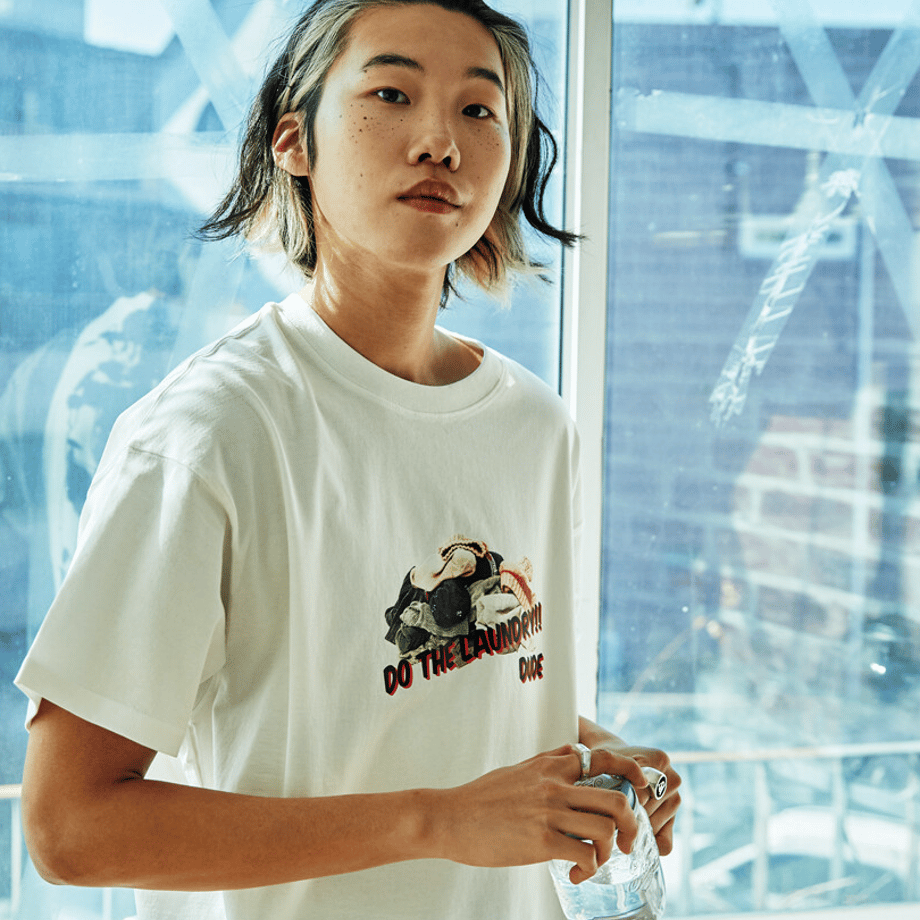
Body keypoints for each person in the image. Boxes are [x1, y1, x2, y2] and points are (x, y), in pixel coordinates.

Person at [16, 2, 681, 919]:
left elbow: (442, 689)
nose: (440, 141)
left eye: (479, 110)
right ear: (294, 140)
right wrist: (435, 821)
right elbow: (70, 829)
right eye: (391, 94)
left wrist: (588, 758)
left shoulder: (535, 426)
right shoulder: (207, 433)